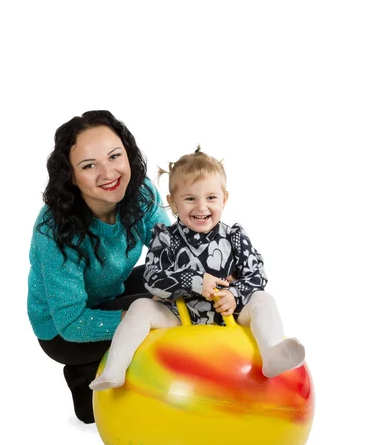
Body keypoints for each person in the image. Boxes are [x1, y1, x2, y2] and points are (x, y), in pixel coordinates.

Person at [89, 148, 305, 391]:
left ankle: (271, 352)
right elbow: (151, 278)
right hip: (179, 316)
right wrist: (195, 281)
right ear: (172, 202)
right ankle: (115, 369)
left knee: (264, 299)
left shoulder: (233, 236)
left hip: (229, 316)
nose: (201, 207)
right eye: (190, 199)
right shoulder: (166, 238)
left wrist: (234, 294)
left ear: (224, 199)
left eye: (211, 198)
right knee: (140, 307)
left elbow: (257, 276)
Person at [27, 110, 170, 423]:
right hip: (64, 331)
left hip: (108, 290)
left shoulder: (142, 192)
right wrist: (139, 317)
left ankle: (113, 360)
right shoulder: (54, 229)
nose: (108, 173)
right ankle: (83, 370)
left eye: (115, 156)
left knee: (177, 292)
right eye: (89, 165)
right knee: (157, 310)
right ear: (71, 176)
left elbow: (169, 256)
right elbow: (70, 321)